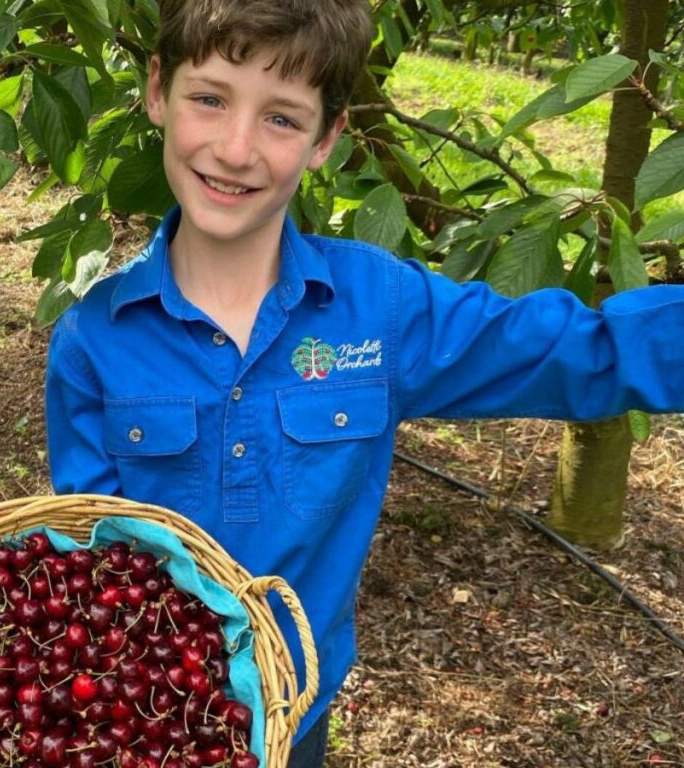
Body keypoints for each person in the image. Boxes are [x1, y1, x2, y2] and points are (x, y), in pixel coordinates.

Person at [44, 1, 684, 765]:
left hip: (294, 710)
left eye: (283, 118)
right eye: (209, 98)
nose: (236, 147)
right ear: (158, 90)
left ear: (327, 138)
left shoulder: (379, 311)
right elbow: (92, 556)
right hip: (148, 719)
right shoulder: (93, 341)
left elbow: (577, 351)